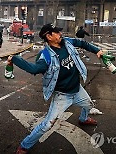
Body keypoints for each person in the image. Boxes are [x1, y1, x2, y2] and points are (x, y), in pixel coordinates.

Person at [7, 23, 103, 154]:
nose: (60, 34)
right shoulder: (45, 55)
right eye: (56, 32)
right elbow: (34, 69)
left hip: (77, 89)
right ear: (49, 36)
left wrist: (97, 50)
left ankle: (83, 119)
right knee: (47, 124)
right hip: (62, 95)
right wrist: (15, 59)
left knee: (88, 104)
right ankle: (24, 145)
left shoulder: (66, 42)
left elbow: (83, 44)